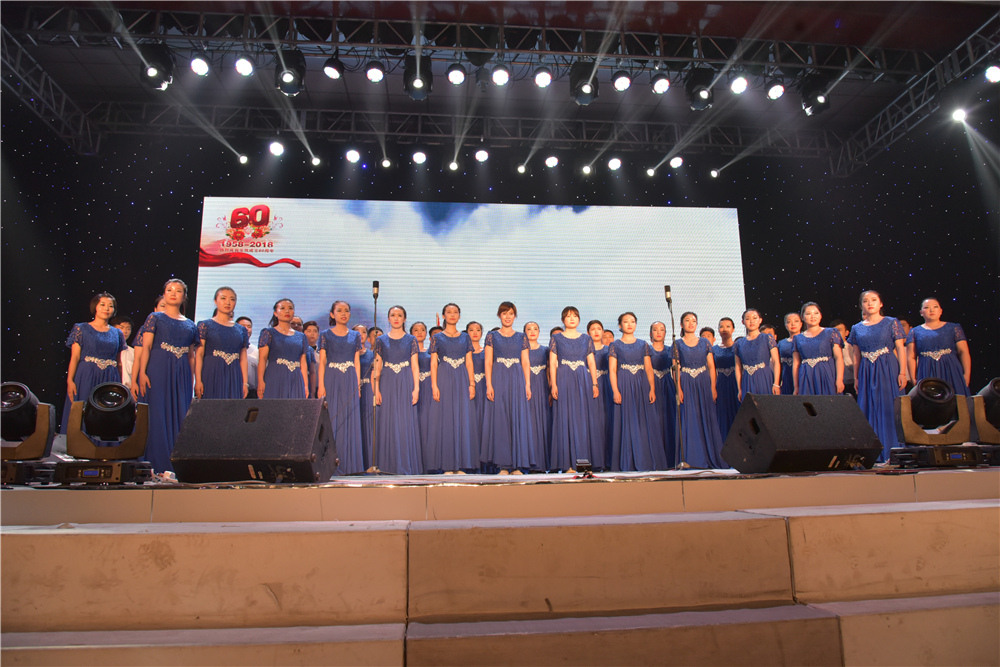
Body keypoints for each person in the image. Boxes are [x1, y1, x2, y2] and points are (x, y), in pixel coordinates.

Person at [133, 279, 199, 475]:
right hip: (158, 368)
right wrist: (142, 373)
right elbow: (146, 347)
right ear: (164, 294)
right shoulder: (155, 318)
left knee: (180, 414)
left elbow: (191, 355)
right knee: (157, 413)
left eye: (178, 291)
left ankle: (176, 464)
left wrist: (193, 381)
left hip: (182, 373)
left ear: (184, 297)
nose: (173, 293)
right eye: (169, 290)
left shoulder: (190, 325)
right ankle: (154, 463)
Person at [847, 290, 906, 460]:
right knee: (869, 406)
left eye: (873, 300)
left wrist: (902, 372)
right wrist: (856, 377)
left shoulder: (891, 323)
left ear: (880, 304)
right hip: (866, 369)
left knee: (889, 406)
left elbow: (900, 348)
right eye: (866, 301)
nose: (870, 303)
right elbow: (856, 355)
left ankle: (894, 450)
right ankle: (873, 453)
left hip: (887, 366)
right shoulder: (856, 328)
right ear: (861, 306)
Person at [62, 292, 128, 434]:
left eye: (110, 306)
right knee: (84, 411)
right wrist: (70, 380)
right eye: (102, 305)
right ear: (95, 307)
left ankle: (106, 445)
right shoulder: (81, 328)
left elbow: (119, 362)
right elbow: (75, 357)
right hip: (87, 375)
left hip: (110, 377)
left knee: (107, 414)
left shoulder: (117, 333)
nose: (106, 308)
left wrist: (120, 386)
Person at [608, 312, 667, 472]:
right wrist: (615, 390)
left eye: (632, 321)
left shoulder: (643, 345)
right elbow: (612, 370)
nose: (629, 324)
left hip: (642, 384)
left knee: (644, 422)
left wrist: (652, 388)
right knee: (626, 421)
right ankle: (627, 462)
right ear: (620, 325)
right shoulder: (615, 345)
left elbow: (648, 368)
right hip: (624, 383)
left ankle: (647, 460)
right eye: (626, 321)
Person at [481, 302, 534, 474]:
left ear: (515, 316)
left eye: (511, 313)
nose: (508, 316)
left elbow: (525, 361)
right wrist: (489, 384)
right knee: (501, 419)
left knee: (517, 418)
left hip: (517, 378)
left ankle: (517, 465)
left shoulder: (521, 337)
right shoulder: (492, 336)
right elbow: (488, 361)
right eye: (504, 313)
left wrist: (527, 384)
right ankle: (503, 465)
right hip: (499, 377)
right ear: (499, 316)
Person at [548, 307, 600, 473]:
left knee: (581, 419)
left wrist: (594, 383)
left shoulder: (586, 339)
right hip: (563, 377)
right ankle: (567, 464)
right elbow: (552, 363)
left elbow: (591, 362)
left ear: (579, 319)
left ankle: (582, 462)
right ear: (563, 319)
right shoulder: (556, 338)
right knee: (564, 418)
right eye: (568, 316)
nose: (572, 319)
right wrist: (554, 384)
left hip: (582, 379)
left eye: (575, 316)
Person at [427, 304, 477, 474]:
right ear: (444, 316)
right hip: (444, 377)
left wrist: (472, 384)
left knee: (462, 418)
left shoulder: (465, 337)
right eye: (449, 312)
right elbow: (434, 363)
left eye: (455, 312)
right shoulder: (437, 338)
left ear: (459, 316)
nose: (452, 315)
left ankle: (461, 464)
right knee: (445, 419)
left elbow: (469, 362)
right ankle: (447, 465)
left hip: (462, 377)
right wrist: (434, 385)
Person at [372, 306, 422, 474]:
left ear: (404, 319)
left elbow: (415, 366)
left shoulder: (411, 339)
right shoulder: (381, 340)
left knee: (404, 422)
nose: (396, 318)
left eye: (399, 315)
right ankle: (388, 465)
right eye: (393, 315)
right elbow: (377, 367)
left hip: (405, 381)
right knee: (388, 421)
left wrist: (416, 388)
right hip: (387, 382)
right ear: (388, 318)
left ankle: (406, 465)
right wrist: (376, 389)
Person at [317, 301, 364, 475]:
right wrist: (321, 385)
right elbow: (322, 362)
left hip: (350, 378)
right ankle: (330, 465)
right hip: (332, 377)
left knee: (350, 418)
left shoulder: (355, 335)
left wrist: (357, 384)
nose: (343, 314)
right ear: (332, 314)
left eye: (346, 311)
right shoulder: (325, 335)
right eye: (339, 310)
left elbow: (357, 361)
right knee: (332, 418)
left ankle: (351, 466)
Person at [673, 312, 725, 469]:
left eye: (694, 321)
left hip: (703, 382)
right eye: (687, 320)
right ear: (681, 324)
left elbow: (711, 366)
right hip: (686, 382)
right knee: (689, 418)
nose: (691, 323)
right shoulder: (677, 344)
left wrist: (713, 387)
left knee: (706, 417)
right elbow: (676, 369)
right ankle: (692, 458)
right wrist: (678, 388)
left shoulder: (704, 343)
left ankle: (710, 457)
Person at [906, 298, 972, 396]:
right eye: (926, 307)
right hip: (927, 371)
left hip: (951, 370)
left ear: (940, 311)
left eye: (935, 307)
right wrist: (913, 378)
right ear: (921, 312)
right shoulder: (914, 332)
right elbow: (911, 357)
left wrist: (966, 374)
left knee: (956, 399)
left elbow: (963, 352)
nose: (931, 310)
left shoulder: (953, 328)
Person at [194, 287, 249, 400]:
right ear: (215, 301)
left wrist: (245, 383)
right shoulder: (205, 325)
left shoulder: (241, 330)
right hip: (212, 372)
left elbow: (243, 358)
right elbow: (199, 354)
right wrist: (198, 380)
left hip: (234, 374)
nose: (228, 302)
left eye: (232, 299)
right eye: (223, 298)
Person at [257, 298, 309, 399]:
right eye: (283, 308)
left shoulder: (301, 336)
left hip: (296, 378)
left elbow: (303, 363)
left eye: (290, 308)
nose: (287, 311)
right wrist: (260, 381)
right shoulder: (268, 333)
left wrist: (305, 385)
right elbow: (262, 359)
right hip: (275, 376)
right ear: (275, 313)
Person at [791, 302, 845, 396]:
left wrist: (839, 380)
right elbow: (796, 364)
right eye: (808, 314)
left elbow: (839, 358)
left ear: (820, 315)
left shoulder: (831, 332)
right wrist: (796, 386)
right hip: (806, 376)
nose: (813, 316)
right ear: (802, 317)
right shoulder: (797, 338)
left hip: (827, 373)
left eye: (816, 313)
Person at [734, 309, 781, 399]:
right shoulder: (738, 343)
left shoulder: (767, 338)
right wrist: (739, 388)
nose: (751, 321)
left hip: (764, 377)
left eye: (754, 318)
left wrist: (776, 383)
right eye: (747, 319)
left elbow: (776, 361)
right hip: (747, 379)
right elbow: (738, 367)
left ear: (760, 320)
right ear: (743, 322)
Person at [523, 321, 551, 472]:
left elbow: (549, 372)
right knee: (528, 424)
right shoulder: (521, 350)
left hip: (542, 389)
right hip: (525, 390)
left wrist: (550, 390)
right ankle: (527, 463)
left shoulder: (546, 350)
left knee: (542, 424)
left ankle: (542, 463)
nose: (532, 331)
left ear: (539, 332)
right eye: (529, 329)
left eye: (535, 329)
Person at [649, 321, 677, 466]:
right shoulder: (646, 350)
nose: (658, 332)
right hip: (651, 386)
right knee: (654, 420)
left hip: (667, 384)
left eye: (662, 330)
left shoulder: (670, 350)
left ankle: (670, 458)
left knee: (669, 419)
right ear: (650, 333)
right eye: (655, 329)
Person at [588, 320, 613, 470]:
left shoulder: (610, 350)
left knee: (607, 422)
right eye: (593, 329)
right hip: (590, 388)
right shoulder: (585, 349)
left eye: (599, 328)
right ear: (588, 333)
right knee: (592, 423)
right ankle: (593, 460)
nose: (596, 332)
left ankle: (608, 461)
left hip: (607, 386)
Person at [410, 321, 433, 464]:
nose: (419, 332)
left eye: (422, 330)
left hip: (429, 390)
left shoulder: (432, 352)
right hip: (413, 390)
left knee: (429, 424)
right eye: (416, 330)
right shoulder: (407, 352)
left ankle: (430, 461)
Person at [713, 317, 739, 440]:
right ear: (718, 330)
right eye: (721, 326)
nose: (724, 329)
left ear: (733, 329)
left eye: (728, 326)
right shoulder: (714, 349)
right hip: (721, 383)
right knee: (722, 413)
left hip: (736, 382)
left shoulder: (738, 346)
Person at [353, 324, 375, 471]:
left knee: (368, 426)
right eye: (357, 332)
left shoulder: (372, 354)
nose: (360, 334)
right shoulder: (348, 354)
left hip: (368, 391)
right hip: (353, 392)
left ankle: (370, 463)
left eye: (363, 332)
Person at [778, 312, 802, 395]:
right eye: (789, 322)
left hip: (802, 375)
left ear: (801, 323)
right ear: (785, 325)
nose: (793, 324)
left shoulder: (805, 340)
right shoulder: (781, 343)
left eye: (796, 321)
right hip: (787, 376)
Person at [830, 319, 856, 397]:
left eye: (839, 330)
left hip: (851, 383)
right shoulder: (829, 349)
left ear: (847, 333)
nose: (837, 334)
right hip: (835, 384)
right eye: (834, 332)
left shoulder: (852, 348)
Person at [110, 315, 134, 389]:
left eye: (128, 329)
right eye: (121, 328)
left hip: (127, 390)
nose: (125, 331)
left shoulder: (133, 352)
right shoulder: (106, 350)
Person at [236, 316, 258, 398]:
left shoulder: (256, 351)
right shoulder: (230, 349)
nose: (246, 329)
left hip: (251, 392)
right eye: (243, 326)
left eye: (249, 326)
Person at [303, 320, 320, 398]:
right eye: (309, 331)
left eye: (315, 331)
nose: (312, 334)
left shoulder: (322, 353)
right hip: (305, 387)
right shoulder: (300, 350)